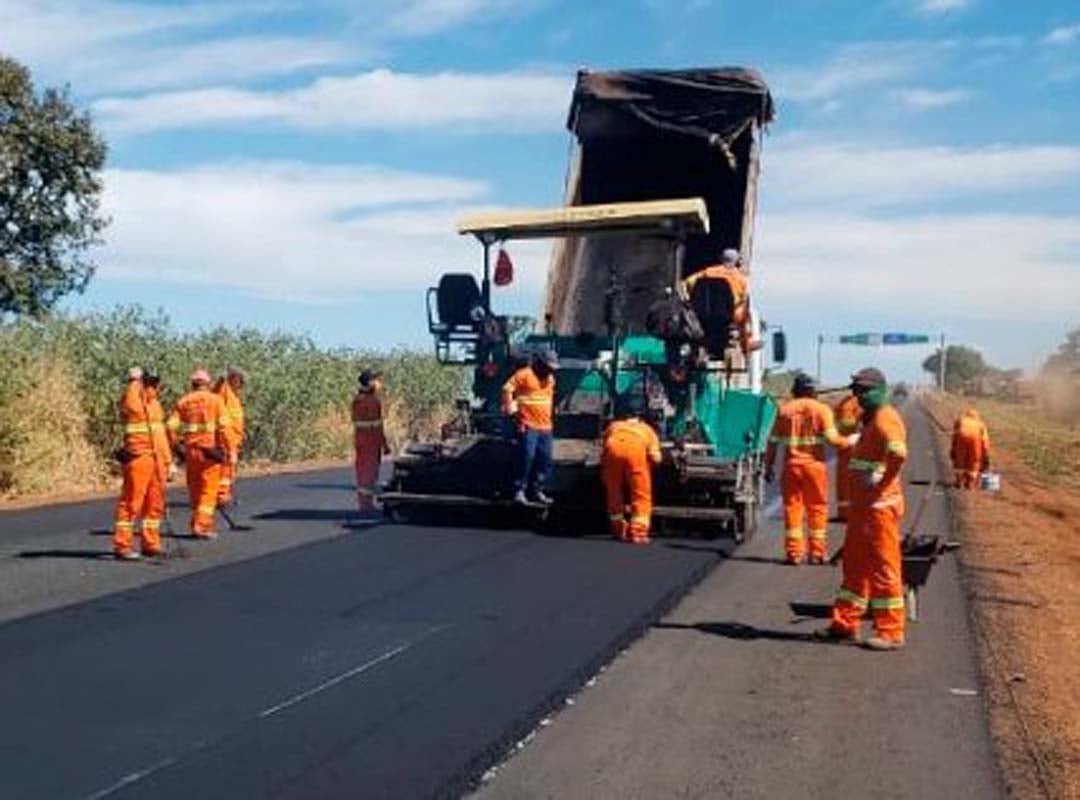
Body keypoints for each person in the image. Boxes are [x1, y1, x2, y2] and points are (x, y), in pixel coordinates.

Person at [819, 367, 908, 651]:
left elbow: (898, 453)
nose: (860, 396)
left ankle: (891, 631)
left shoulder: (885, 418)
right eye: (857, 391)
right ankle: (844, 624)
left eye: (865, 391)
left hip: (879, 508)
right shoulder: (869, 419)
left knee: (884, 567)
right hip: (863, 509)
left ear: (881, 390)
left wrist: (884, 481)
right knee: (854, 566)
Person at [765, 373, 851, 565]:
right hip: (814, 467)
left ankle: (794, 554)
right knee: (817, 509)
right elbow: (833, 440)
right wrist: (851, 442)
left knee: (793, 509)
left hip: (791, 467)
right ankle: (817, 554)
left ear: (795, 390)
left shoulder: (785, 410)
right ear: (813, 391)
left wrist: (768, 465)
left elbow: (772, 442)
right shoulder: (822, 410)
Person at [112, 366, 171, 560]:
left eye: (156, 382)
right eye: (150, 382)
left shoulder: (155, 405)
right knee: (131, 503)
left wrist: (168, 462)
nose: (154, 386)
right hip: (139, 458)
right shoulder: (134, 400)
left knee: (155, 504)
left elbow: (161, 436)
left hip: (157, 460)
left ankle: (151, 544)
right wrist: (133, 380)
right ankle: (123, 545)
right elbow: (130, 403)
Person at [167, 368, 227, 539]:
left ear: (192, 384)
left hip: (191, 452)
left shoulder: (184, 401)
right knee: (209, 491)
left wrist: (176, 446)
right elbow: (224, 427)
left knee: (195, 488)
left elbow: (170, 426)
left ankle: (196, 522)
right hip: (210, 451)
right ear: (207, 384)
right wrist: (227, 449)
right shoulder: (215, 400)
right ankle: (201, 527)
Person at [601, 400, 663, 544]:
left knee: (613, 491)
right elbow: (656, 458)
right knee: (640, 493)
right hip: (635, 453)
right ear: (641, 417)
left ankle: (618, 529)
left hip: (613, 451)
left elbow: (604, 448)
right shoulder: (647, 430)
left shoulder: (613, 426)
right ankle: (638, 533)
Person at [502, 350, 558, 504]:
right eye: (548, 367)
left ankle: (537, 490)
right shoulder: (524, 375)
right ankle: (519, 490)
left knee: (545, 459)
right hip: (527, 425)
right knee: (526, 457)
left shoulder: (550, 379)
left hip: (545, 426)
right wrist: (511, 409)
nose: (550, 370)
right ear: (540, 364)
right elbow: (507, 389)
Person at [681, 248, 756, 356]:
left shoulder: (707, 272)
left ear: (721, 259)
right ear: (737, 261)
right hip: (727, 316)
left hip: (702, 313)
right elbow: (742, 299)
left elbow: (688, 282)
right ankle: (747, 343)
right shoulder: (741, 279)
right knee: (746, 312)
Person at [352, 370, 390, 514]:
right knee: (369, 472)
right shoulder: (372, 401)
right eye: (376, 380)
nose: (379, 383)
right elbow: (377, 426)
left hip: (361, 440)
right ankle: (366, 506)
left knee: (363, 471)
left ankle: (365, 504)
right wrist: (385, 445)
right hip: (371, 441)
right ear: (370, 383)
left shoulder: (357, 399)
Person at [214, 367, 246, 506]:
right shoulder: (225, 390)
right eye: (239, 381)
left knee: (229, 469)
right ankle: (222, 495)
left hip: (234, 438)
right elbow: (216, 392)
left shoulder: (234, 397)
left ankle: (224, 494)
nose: (240, 384)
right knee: (226, 469)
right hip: (226, 439)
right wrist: (221, 380)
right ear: (233, 379)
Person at [833, 391, 863, 522]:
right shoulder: (859, 404)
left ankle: (844, 512)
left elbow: (837, 426)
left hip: (843, 447)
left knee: (843, 481)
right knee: (856, 481)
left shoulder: (842, 404)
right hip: (855, 447)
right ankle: (853, 512)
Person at [951, 408, 991, 489]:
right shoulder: (980, 424)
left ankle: (959, 481)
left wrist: (954, 447)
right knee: (974, 461)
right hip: (976, 440)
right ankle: (970, 483)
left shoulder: (960, 420)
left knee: (960, 460)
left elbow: (955, 435)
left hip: (961, 438)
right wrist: (985, 452)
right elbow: (985, 439)